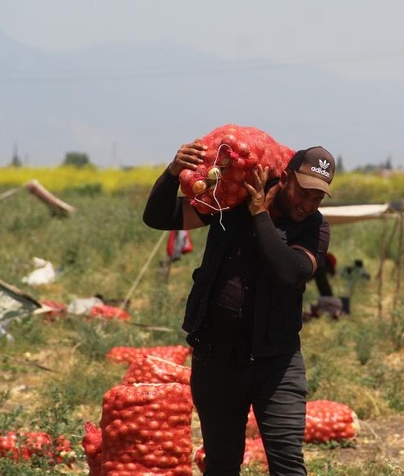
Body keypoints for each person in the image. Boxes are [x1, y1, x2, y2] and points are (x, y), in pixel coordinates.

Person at [143, 141, 334, 475]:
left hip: (276, 363)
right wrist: (173, 173)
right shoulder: (230, 203)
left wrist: (260, 215)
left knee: (288, 463)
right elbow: (158, 217)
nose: (308, 204)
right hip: (217, 361)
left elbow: (289, 273)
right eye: (303, 192)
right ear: (286, 177)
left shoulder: (314, 227)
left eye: (317, 197)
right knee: (221, 464)